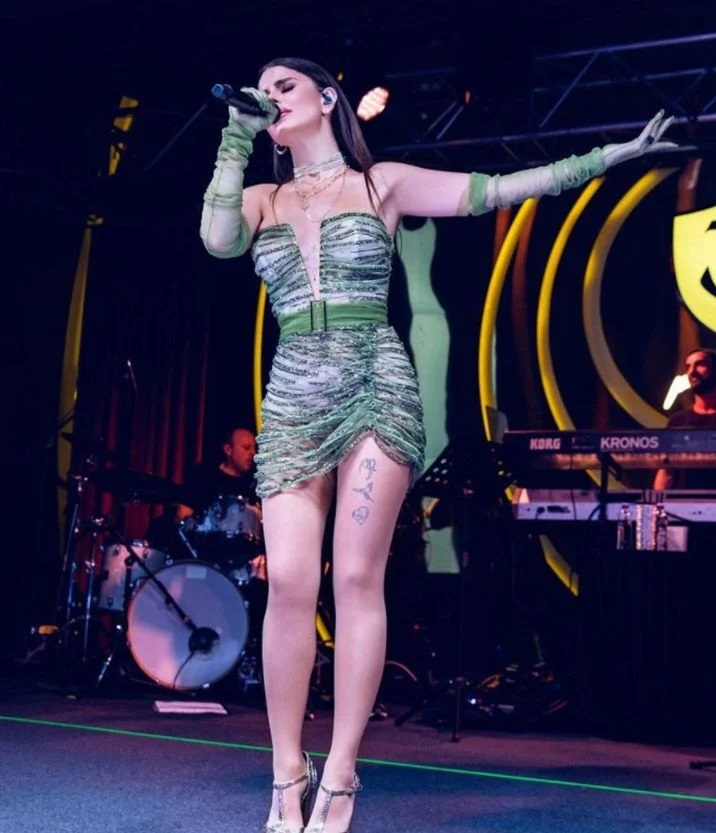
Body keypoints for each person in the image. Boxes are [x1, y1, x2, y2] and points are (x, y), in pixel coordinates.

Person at [200, 56, 675, 833]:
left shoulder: (381, 183)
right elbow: (218, 240)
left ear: (329, 99)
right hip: (293, 394)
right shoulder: (261, 197)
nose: (271, 96)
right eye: (265, 88)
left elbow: (495, 190)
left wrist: (606, 157)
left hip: (374, 383)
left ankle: (341, 774)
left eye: (285, 86)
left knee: (358, 576)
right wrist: (234, 136)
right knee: (288, 580)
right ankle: (288, 773)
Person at [654, 347, 716, 490]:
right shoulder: (677, 422)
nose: (691, 372)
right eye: (688, 366)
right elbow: (665, 471)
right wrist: (657, 501)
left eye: (700, 365)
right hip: (680, 502)